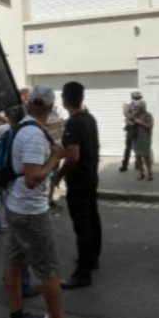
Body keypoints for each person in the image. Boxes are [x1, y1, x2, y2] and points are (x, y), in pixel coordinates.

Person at [2, 85, 93, 318]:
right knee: (49, 271)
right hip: (31, 211)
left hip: (16, 206)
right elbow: (32, 178)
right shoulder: (32, 134)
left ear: (31, 104)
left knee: (14, 262)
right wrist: (55, 157)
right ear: (52, 107)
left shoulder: (23, 127)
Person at [53, 82, 102, 289]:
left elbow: (72, 157)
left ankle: (83, 273)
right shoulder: (89, 118)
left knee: (81, 225)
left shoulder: (74, 123)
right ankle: (92, 259)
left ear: (65, 99)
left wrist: (58, 176)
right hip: (91, 176)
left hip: (79, 179)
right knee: (92, 219)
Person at [130, 100, 154, 181]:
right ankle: (141, 173)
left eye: (137, 107)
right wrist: (131, 120)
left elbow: (150, 126)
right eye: (135, 107)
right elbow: (128, 121)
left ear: (142, 107)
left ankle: (150, 173)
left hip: (145, 139)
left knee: (146, 156)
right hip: (136, 139)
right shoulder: (134, 115)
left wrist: (140, 122)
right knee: (138, 156)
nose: (135, 108)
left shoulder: (148, 115)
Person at [119, 91, 142, 172]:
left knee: (134, 148)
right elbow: (126, 118)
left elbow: (128, 118)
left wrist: (130, 119)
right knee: (130, 148)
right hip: (132, 128)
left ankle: (136, 164)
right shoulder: (131, 106)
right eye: (136, 98)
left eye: (137, 98)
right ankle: (126, 165)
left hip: (135, 128)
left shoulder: (139, 106)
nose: (137, 100)